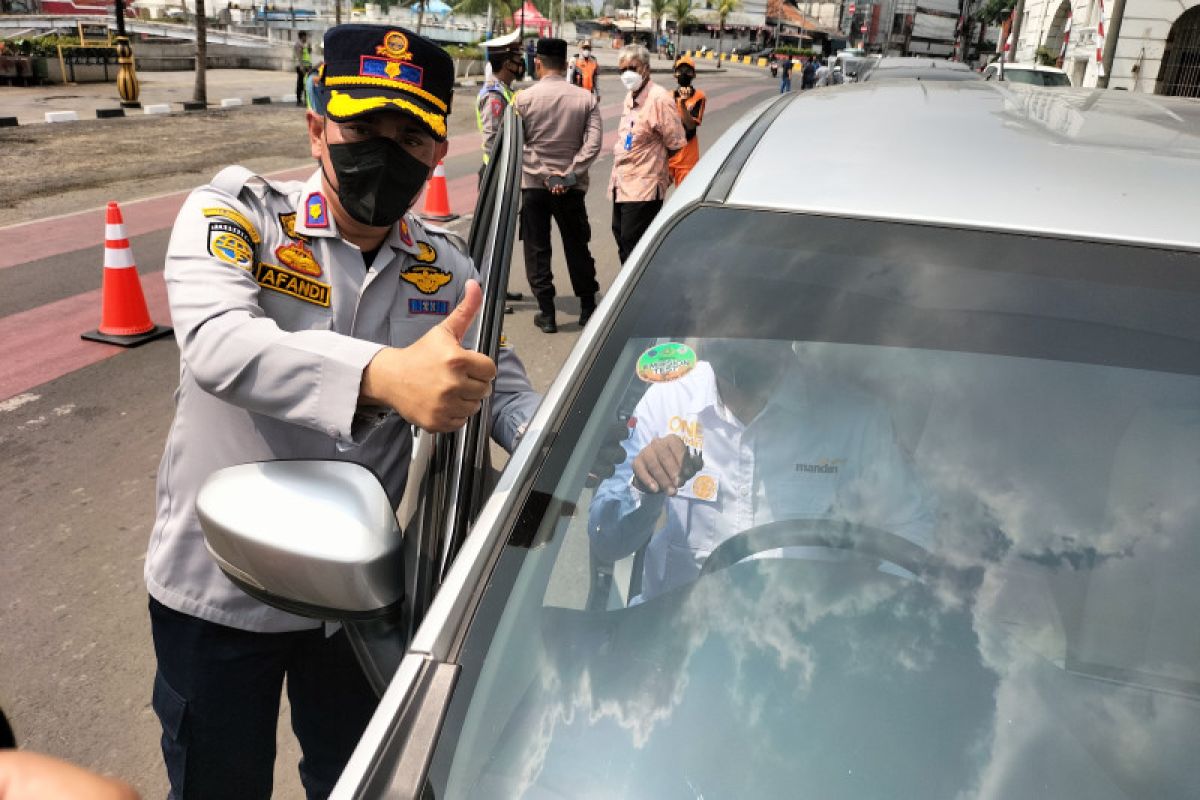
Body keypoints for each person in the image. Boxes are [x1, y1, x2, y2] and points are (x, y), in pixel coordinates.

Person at [146, 24, 541, 800]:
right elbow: (219, 345)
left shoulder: (446, 265)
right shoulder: (239, 218)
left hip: (358, 604)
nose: (385, 153)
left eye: (411, 134)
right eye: (363, 126)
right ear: (316, 123)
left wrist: (551, 439)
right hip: (220, 594)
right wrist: (386, 376)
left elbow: (501, 385)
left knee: (362, 782)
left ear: (436, 151)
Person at [588, 339, 935, 602]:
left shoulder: (853, 419)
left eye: (752, 315)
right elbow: (608, 543)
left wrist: (870, 610)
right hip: (672, 643)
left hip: (802, 652)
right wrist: (644, 487)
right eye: (723, 310)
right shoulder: (666, 400)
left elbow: (911, 532)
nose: (738, 331)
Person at [513, 37, 604, 334]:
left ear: (537, 63)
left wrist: (544, 174)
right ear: (566, 65)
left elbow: (520, 146)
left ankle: (548, 312)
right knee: (577, 245)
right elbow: (593, 144)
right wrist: (568, 174)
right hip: (571, 187)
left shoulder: (523, 99)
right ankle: (588, 305)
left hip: (535, 187)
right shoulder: (586, 99)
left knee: (537, 249)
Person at [609, 44, 687, 264]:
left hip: (644, 187)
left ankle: (636, 295)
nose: (626, 74)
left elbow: (676, 143)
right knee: (622, 238)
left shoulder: (659, 99)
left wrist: (660, 174)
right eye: (622, 70)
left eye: (631, 68)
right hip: (622, 184)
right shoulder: (631, 96)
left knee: (633, 246)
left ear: (646, 68)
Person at [476, 40, 524, 182]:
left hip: (502, 168)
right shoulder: (494, 96)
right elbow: (492, 139)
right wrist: (502, 171)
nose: (521, 64)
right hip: (496, 171)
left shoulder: (505, 90)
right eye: (518, 60)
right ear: (507, 65)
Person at [668, 55, 706, 187]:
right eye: (680, 70)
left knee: (683, 196)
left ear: (693, 75)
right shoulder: (668, 97)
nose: (684, 74)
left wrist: (682, 104)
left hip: (686, 159)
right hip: (668, 157)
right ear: (675, 75)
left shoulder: (698, 96)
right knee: (655, 195)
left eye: (688, 71)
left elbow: (690, 127)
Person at [293, 31, 312, 107]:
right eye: (305, 36)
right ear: (302, 37)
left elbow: (308, 54)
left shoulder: (305, 45)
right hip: (301, 67)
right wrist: (302, 67)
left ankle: (306, 100)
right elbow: (299, 57)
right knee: (301, 83)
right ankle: (299, 100)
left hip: (307, 66)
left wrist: (309, 47)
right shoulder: (298, 45)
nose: (306, 38)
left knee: (306, 83)